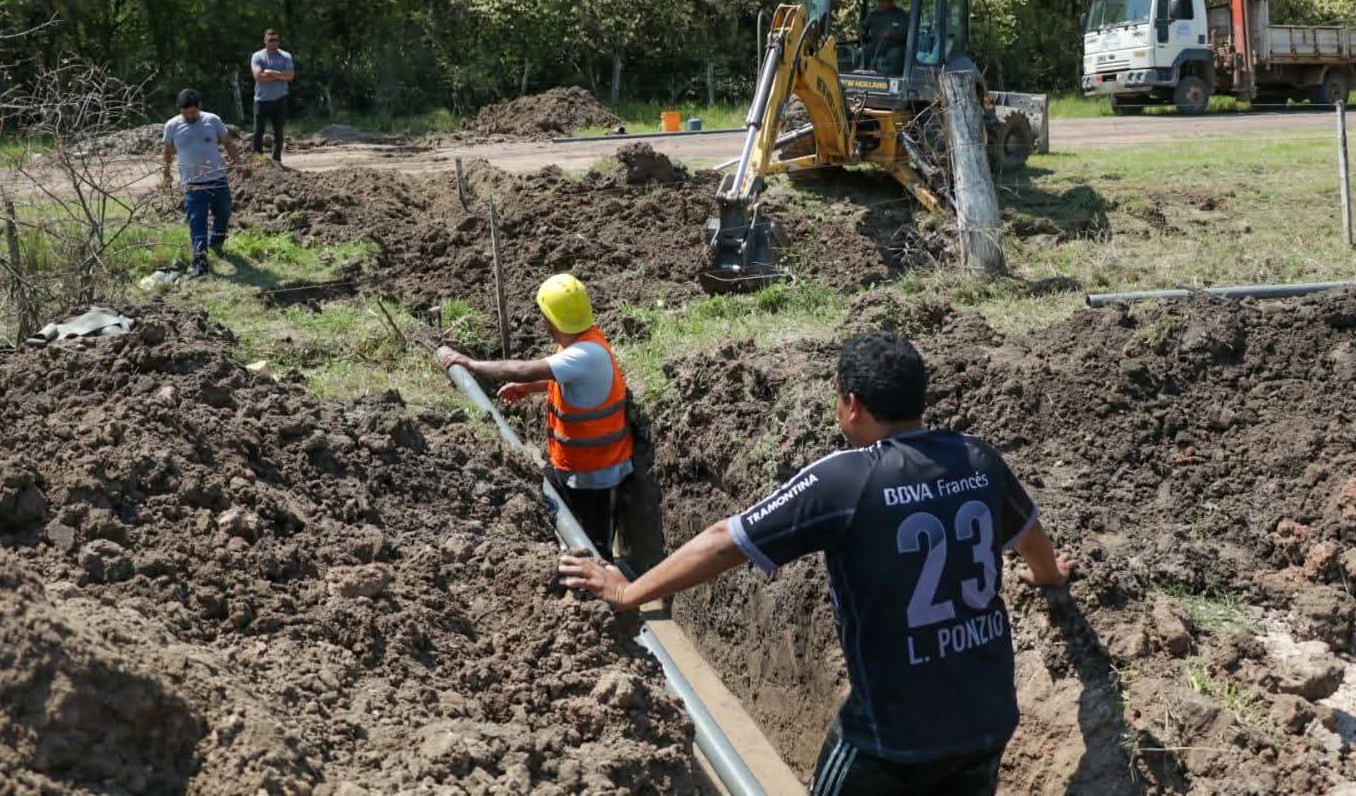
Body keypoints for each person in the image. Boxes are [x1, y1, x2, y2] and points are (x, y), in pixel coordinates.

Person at [560, 331, 1075, 796]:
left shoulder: (846, 481)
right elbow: (1028, 531)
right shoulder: (978, 458)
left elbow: (726, 540)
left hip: (889, 739)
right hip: (987, 720)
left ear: (852, 405)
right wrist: (1048, 577)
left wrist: (627, 592)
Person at [435, 273, 634, 559]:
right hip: (574, 466)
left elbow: (522, 369)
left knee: (594, 545)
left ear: (551, 320)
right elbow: (572, 381)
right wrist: (529, 388)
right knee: (543, 496)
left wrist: (472, 364)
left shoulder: (585, 354)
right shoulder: (583, 342)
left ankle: (604, 577)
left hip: (594, 475)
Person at [161, 89, 245, 278]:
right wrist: (166, 174)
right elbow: (167, 152)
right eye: (185, 113)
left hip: (217, 179)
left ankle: (216, 244)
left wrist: (239, 163)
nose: (190, 116)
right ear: (180, 110)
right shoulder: (172, 126)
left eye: (193, 112)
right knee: (197, 222)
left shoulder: (212, 120)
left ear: (199, 106)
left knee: (223, 214)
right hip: (192, 184)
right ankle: (200, 262)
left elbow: (228, 142)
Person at [250, 28, 295, 163]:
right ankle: (258, 160)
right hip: (261, 100)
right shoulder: (258, 56)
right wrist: (280, 75)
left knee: (278, 132)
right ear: (265, 41)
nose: (274, 42)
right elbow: (258, 77)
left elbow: (290, 76)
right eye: (271, 40)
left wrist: (270, 72)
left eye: (276, 40)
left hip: (280, 99)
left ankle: (276, 161)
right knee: (258, 131)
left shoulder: (286, 56)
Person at [860, 0, 908, 75]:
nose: (881, 3)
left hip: (893, 46)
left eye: (884, 1)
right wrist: (862, 31)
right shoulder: (874, 14)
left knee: (896, 54)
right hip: (875, 45)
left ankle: (894, 78)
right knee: (864, 51)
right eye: (880, 1)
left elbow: (906, 32)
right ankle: (861, 75)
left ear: (891, 1)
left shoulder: (901, 14)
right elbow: (864, 26)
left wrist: (894, 34)